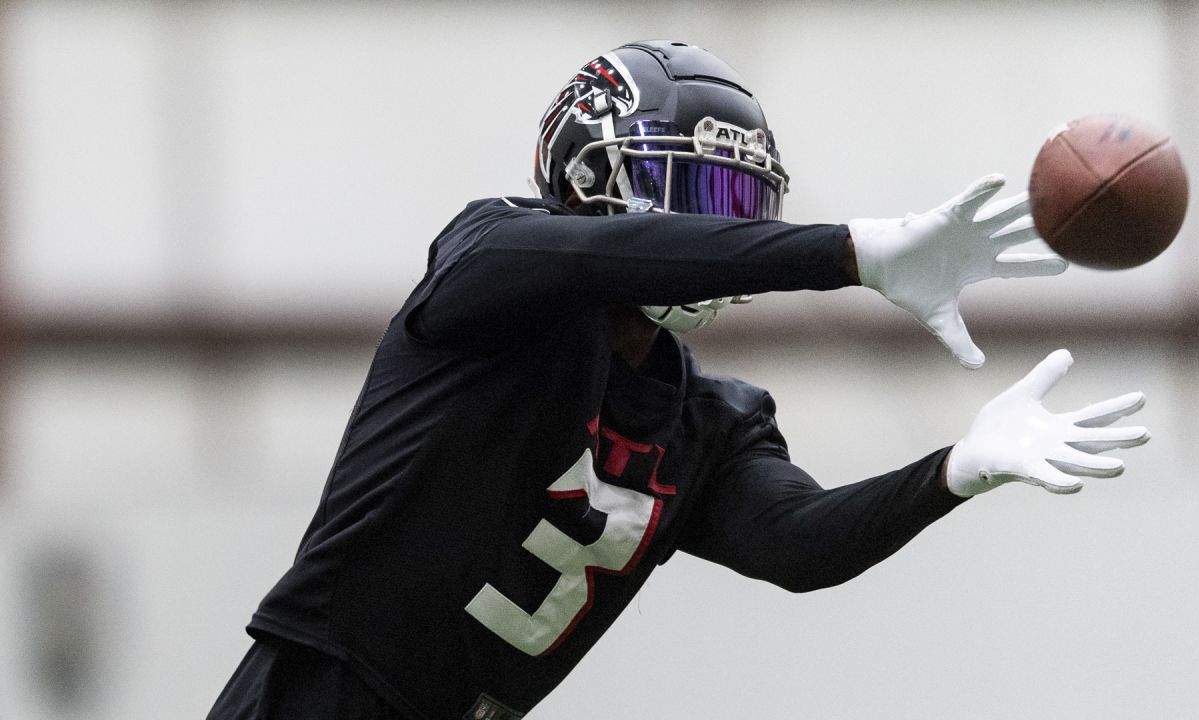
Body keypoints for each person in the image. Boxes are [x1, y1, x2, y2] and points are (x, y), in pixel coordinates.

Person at [208, 40, 1150, 720]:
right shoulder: (493, 269)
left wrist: (954, 470)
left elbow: (798, 544)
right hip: (311, 695)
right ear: (587, 178)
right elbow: (591, 262)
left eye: (739, 204)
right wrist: (852, 253)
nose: (719, 231)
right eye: (693, 196)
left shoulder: (708, 420)